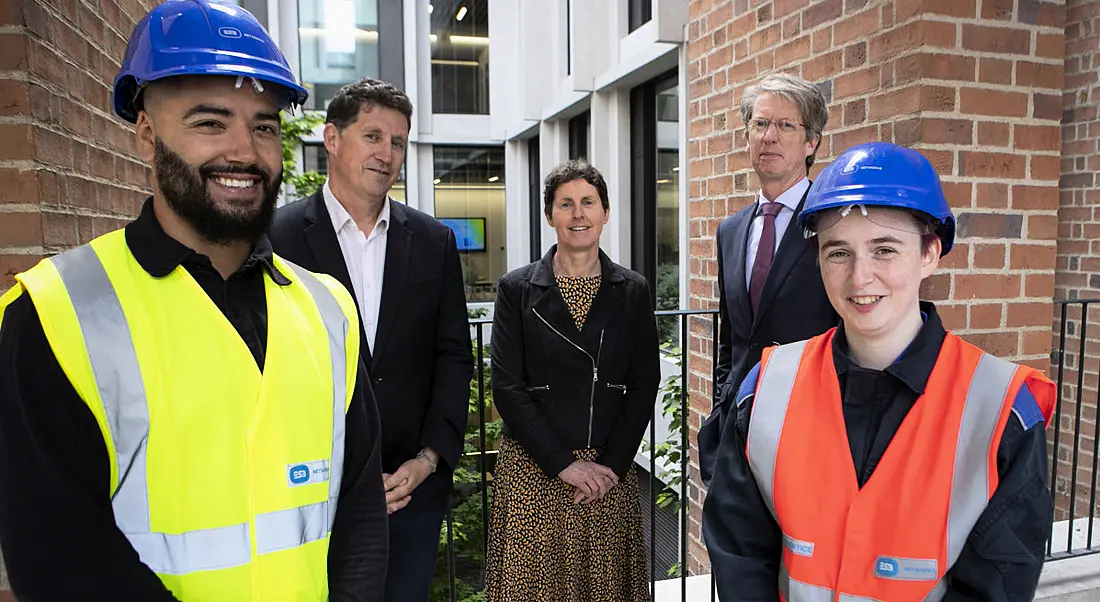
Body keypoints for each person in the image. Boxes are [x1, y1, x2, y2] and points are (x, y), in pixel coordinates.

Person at [0, 2, 388, 601]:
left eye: (262, 125)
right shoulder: (55, 314)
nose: (246, 151)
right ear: (147, 133)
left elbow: (360, 513)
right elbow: (60, 562)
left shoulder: (327, 309)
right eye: (210, 122)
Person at [702, 142, 1056, 602]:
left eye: (884, 250)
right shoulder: (766, 389)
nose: (860, 278)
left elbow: (996, 586)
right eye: (838, 253)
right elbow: (740, 554)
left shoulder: (1002, 410)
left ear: (929, 254)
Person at [270, 78, 474, 602]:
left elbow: (453, 355)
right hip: (310, 495)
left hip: (410, 492)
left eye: (399, 141)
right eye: (373, 136)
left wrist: (430, 459)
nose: (387, 153)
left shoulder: (433, 241)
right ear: (331, 139)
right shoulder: (276, 239)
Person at [485, 159, 660, 601]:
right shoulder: (517, 289)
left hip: (607, 471)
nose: (578, 214)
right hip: (535, 470)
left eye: (588, 202)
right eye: (566, 204)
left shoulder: (634, 290)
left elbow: (644, 384)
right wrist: (563, 464)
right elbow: (506, 386)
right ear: (550, 216)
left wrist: (613, 467)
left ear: (605, 213)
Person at [698, 73, 839, 486]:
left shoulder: (833, 225)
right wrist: (723, 402)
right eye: (760, 124)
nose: (769, 137)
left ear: (811, 142)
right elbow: (732, 337)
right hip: (738, 434)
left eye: (785, 125)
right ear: (747, 137)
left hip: (811, 436)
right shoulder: (731, 230)